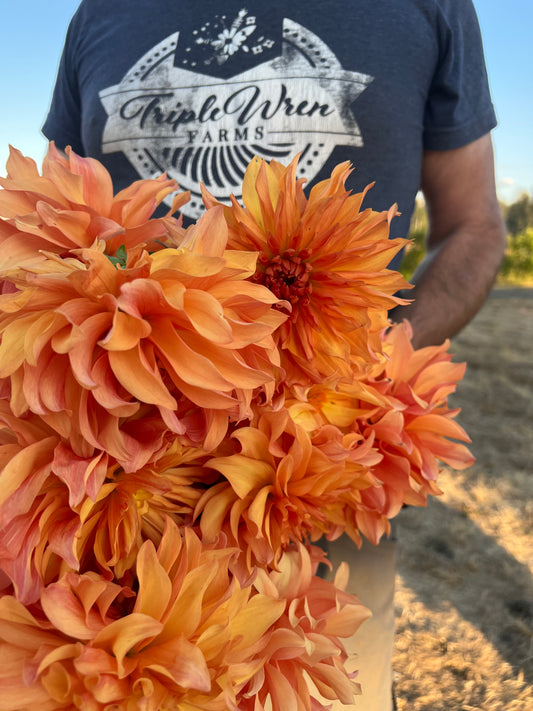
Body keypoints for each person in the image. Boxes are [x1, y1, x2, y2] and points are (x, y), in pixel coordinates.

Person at [42, 1, 507, 709]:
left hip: (315, 494)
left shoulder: (430, 6)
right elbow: (54, 221)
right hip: (99, 495)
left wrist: (358, 381)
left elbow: (472, 225)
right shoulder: (99, 13)